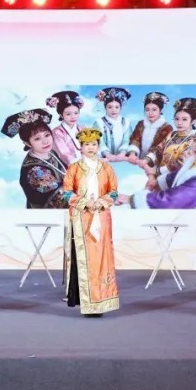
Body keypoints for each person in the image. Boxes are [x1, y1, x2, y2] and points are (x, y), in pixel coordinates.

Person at [61, 128, 120, 316]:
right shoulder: (74, 168)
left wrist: (101, 202)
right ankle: (86, 301)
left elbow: (114, 192)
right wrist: (85, 203)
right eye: (87, 145)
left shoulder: (107, 168)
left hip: (101, 217)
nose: (91, 148)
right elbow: (66, 193)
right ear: (81, 147)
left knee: (102, 257)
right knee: (84, 258)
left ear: (98, 146)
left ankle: (102, 299)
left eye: (94, 144)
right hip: (82, 218)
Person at [118, 118, 196, 209]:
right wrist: (157, 182)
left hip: (192, 220)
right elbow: (178, 175)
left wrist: (132, 199)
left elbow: (171, 200)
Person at [1, 109, 69, 209]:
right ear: (27, 143)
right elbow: (60, 198)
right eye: (37, 138)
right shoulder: (34, 171)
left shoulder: (51, 152)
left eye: (47, 135)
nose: (45, 141)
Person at [143, 96, 196, 183]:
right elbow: (158, 149)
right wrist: (147, 160)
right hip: (158, 177)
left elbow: (181, 163)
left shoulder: (195, 140)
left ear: (193, 121)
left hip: (177, 180)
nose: (179, 123)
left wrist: (157, 171)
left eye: (184, 119)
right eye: (177, 119)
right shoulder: (172, 134)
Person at [124, 91, 172, 163]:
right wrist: (132, 153)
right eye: (147, 109)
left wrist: (147, 159)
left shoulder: (167, 128)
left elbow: (160, 148)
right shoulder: (141, 124)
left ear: (161, 110)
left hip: (153, 164)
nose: (150, 113)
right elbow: (135, 139)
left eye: (154, 109)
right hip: (136, 161)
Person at [47, 90, 86, 167]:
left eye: (76, 113)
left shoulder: (83, 128)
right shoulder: (56, 132)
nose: (73, 117)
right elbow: (64, 153)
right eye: (68, 114)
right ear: (61, 115)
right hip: (68, 167)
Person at [93, 87, 132, 161]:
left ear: (120, 108)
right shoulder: (98, 123)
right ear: (105, 108)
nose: (113, 110)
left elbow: (127, 139)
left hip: (123, 158)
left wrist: (122, 153)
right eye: (110, 107)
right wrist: (107, 154)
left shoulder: (126, 122)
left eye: (117, 107)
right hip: (104, 159)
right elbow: (99, 141)